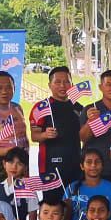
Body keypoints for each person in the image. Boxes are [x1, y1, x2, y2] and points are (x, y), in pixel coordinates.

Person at [30, 66, 86, 201]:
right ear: (50, 85)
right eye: (57, 82)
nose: (62, 86)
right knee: (52, 204)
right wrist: (45, 135)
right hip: (50, 166)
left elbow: (85, 135)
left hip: (75, 164)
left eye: (66, 82)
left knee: (74, 203)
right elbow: (34, 136)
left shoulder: (78, 108)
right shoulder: (41, 107)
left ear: (72, 85)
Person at [65, 148, 111, 220]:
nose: (93, 165)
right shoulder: (71, 188)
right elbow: (62, 218)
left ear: (102, 165)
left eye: (97, 162)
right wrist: (67, 208)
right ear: (82, 166)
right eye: (89, 162)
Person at [0, 147, 39, 220]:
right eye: (11, 162)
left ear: (25, 167)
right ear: (4, 164)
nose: (14, 167)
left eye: (19, 164)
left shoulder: (29, 188)